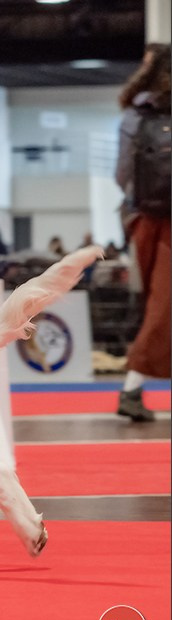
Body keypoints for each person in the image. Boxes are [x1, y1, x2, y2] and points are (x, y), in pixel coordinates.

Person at [114, 43, 171, 421]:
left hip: (142, 220)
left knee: (159, 302)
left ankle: (134, 386)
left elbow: (121, 176)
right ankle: (131, 388)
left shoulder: (133, 115)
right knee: (162, 307)